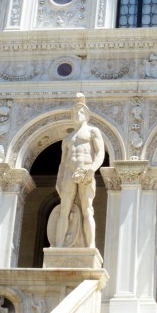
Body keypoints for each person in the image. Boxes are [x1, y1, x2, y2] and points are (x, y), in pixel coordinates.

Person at [54, 94, 105, 248]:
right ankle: (58, 245)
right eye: (75, 112)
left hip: (85, 172)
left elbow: (100, 152)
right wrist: (59, 180)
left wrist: (92, 169)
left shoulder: (92, 131)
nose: (78, 114)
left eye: (81, 111)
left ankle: (90, 246)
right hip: (69, 173)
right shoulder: (67, 138)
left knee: (87, 209)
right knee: (64, 210)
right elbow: (63, 163)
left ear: (87, 115)